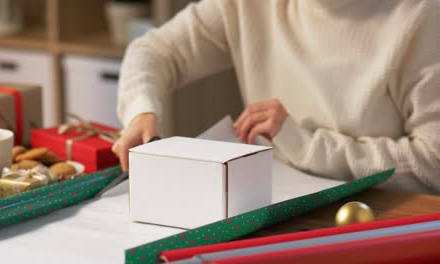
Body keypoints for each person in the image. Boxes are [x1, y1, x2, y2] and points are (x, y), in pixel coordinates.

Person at [112, 0, 440, 194]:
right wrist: (141, 111)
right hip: (272, 204)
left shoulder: (420, 15)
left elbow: (433, 164)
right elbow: (153, 51)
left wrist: (305, 145)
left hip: (378, 220)